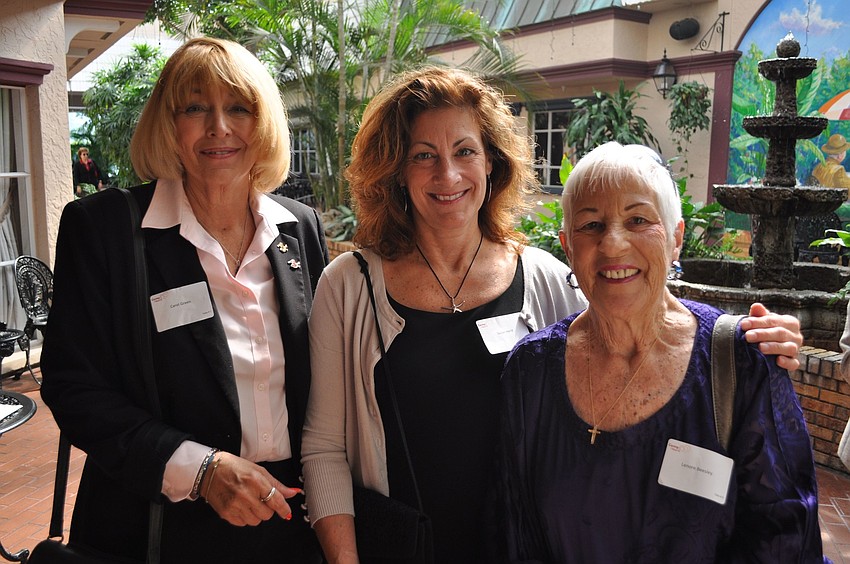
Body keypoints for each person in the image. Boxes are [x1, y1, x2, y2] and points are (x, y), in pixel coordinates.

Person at [300, 67, 806, 563]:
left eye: (465, 151)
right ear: (395, 169)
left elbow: (631, 321)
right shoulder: (350, 286)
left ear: (492, 161)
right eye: (423, 155)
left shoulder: (545, 277)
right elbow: (324, 448)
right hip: (404, 548)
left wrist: (740, 337)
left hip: (527, 542)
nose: (447, 174)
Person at [41, 37, 328, 563]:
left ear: (264, 122)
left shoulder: (298, 227)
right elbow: (74, 386)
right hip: (163, 524)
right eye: (195, 108)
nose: (219, 127)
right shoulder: (105, 230)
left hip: (290, 519)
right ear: (167, 125)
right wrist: (202, 470)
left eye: (238, 108)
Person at [499, 142, 827, 562]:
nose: (613, 244)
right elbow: (515, 529)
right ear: (568, 247)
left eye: (638, 220)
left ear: (676, 239)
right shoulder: (531, 370)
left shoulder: (740, 363)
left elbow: (785, 538)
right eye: (591, 225)